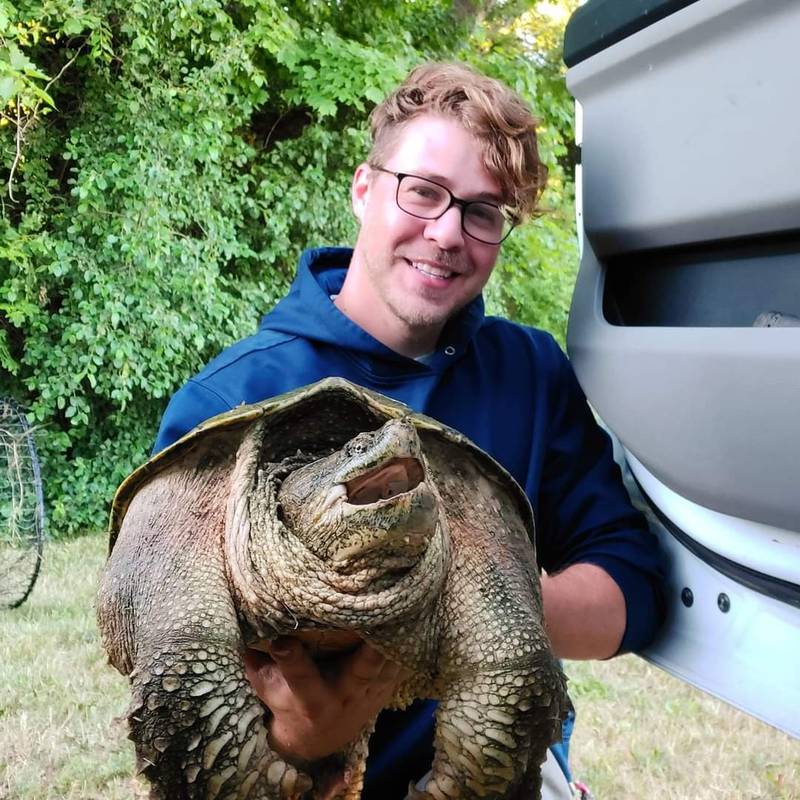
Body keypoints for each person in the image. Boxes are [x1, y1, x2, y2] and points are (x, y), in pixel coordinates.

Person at [154, 62, 666, 799]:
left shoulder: (527, 371)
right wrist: (303, 739)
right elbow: (178, 680)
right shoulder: (231, 402)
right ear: (364, 188)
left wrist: (470, 606)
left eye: (483, 212)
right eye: (423, 191)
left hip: (505, 766)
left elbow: (633, 589)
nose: (448, 233)